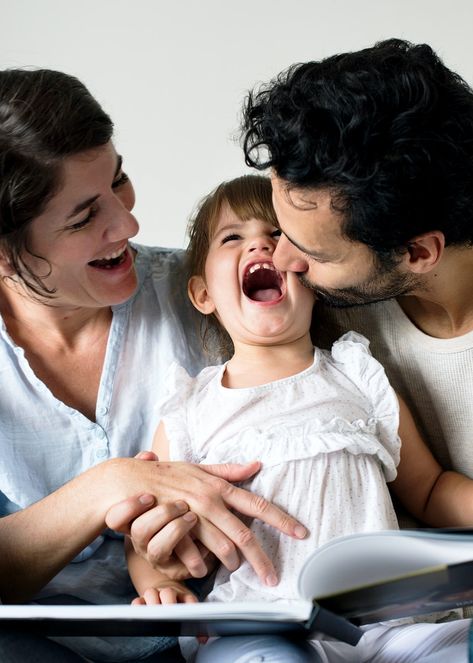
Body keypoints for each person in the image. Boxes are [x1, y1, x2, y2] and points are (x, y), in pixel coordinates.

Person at [0, 68, 308, 663]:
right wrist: (109, 485)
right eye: (84, 217)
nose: (128, 225)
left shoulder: (214, 299)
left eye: (120, 182)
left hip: (213, 632)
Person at [126, 175, 472, 662]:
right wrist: (159, 583)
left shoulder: (358, 374)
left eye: (277, 234)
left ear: (309, 276)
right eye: (233, 237)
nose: (262, 245)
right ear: (202, 293)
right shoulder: (190, 408)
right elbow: (148, 528)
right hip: (260, 619)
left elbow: (431, 489)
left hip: (391, 620)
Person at [240, 37, 473, 495]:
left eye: (315, 254)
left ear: (419, 253)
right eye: (279, 229)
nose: (282, 260)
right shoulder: (305, 304)